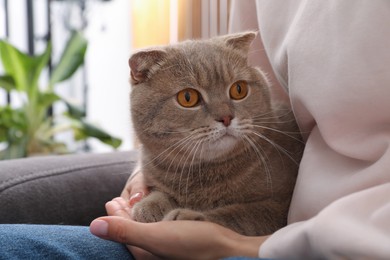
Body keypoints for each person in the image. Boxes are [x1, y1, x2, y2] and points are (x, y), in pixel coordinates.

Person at [1, 0, 389, 259]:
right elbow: (253, 63)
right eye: (190, 98)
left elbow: (274, 210)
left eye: (238, 92)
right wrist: (151, 181)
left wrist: (227, 237)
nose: (224, 115)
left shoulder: (271, 155)